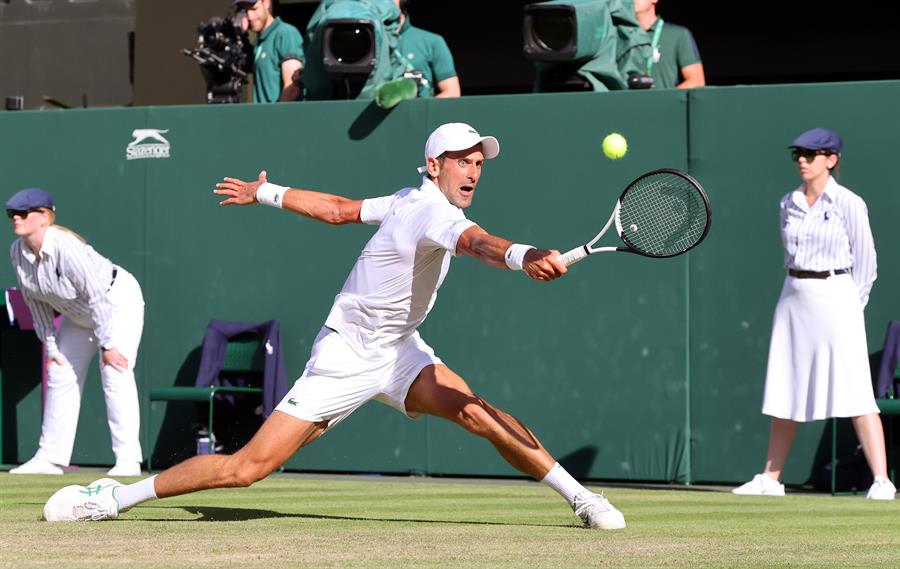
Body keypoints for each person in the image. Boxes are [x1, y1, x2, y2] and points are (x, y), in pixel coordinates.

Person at [41, 123, 626, 530]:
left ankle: (580, 498)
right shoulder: (431, 210)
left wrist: (265, 191)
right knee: (247, 469)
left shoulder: (405, 199)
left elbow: (339, 210)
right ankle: (113, 496)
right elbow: (476, 243)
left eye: (478, 162)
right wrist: (524, 256)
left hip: (399, 350)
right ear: (434, 166)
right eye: (462, 160)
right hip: (345, 354)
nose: (473, 170)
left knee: (479, 413)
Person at [732, 128, 896, 500]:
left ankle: (882, 480)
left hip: (838, 295)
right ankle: (771, 480)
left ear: (831, 160)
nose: (803, 160)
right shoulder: (787, 202)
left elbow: (867, 262)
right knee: (784, 386)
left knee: (856, 389)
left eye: (811, 153)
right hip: (793, 297)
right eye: (798, 154)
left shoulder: (849, 202)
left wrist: (854, 305)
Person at [6, 188, 145, 477]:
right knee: (59, 372)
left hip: (116, 301)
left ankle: (128, 461)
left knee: (114, 372)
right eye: (11, 214)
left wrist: (108, 344)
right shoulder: (17, 252)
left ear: (44, 217)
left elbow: (96, 295)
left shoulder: (65, 246)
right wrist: (51, 347)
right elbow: (35, 300)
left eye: (22, 213)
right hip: (77, 314)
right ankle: (50, 458)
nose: (16, 219)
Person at [234, 0, 304, 102]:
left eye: (254, 8)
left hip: (278, 116)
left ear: (266, 2)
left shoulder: (285, 33)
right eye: (244, 11)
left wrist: (274, 117)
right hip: (261, 116)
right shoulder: (260, 41)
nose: (250, 16)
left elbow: (293, 88)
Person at [393, 0, 461, 98]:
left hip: (418, 111)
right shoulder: (366, 40)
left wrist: (423, 110)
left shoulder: (432, 41)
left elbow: (452, 92)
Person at [633, 0, 705, 89]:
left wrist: (668, 100)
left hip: (665, 102)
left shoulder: (677, 35)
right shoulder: (619, 36)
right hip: (627, 102)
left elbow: (696, 81)